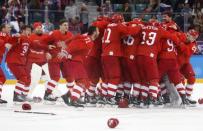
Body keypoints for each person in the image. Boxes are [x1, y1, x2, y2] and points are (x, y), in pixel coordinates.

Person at [60, 26, 100, 107]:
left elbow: (76, 37)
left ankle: (67, 95)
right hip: (74, 60)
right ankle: (74, 99)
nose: (99, 32)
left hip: (75, 61)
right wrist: (66, 51)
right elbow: (76, 44)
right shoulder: (88, 40)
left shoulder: (86, 37)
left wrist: (66, 42)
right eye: (98, 31)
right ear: (94, 32)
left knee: (85, 82)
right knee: (82, 81)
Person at [45, 19, 74, 102]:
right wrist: (46, 52)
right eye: (64, 25)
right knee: (55, 77)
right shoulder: (53, 34)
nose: (66, 27)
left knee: (70, 77)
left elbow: (72, 46)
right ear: (60, 26)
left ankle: (70, 94)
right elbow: (44, 42)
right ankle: (47, 94)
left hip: (64, 59)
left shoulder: (70, 35)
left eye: (67, 25)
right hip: (54, 58)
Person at [6, 25, 31, 102]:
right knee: (23, 77)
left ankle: (22, 94)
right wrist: (15, 37)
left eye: (29, 30)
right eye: (27, 30)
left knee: (26, 78)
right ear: (23, 30)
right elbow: (8, 43)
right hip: (14, 61)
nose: (28, 32)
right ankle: (16, 95)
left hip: (20, 62)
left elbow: (26, 52)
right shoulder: (19, 37)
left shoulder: (28, 39)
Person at [0, 23, 11, 104]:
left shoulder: (7, 35)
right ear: (3, 29)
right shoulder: (3, 35)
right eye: (8, 27)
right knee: (2, 77)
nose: (10, 28)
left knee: (2, 77)